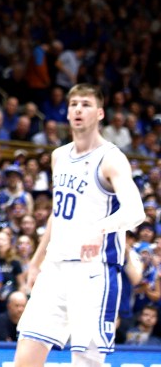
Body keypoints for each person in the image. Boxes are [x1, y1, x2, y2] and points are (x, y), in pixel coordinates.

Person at [15, 83, 147, 366]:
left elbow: (136, 211)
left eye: (86, 104)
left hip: (93, 271)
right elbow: (57, 213)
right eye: (74, 104)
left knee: (86, 362)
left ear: (99, 113)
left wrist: (99, 230)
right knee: (26, 352)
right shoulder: (59, 156)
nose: (78, 109)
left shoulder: (111, 159)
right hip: (55, 267)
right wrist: (37, 261)